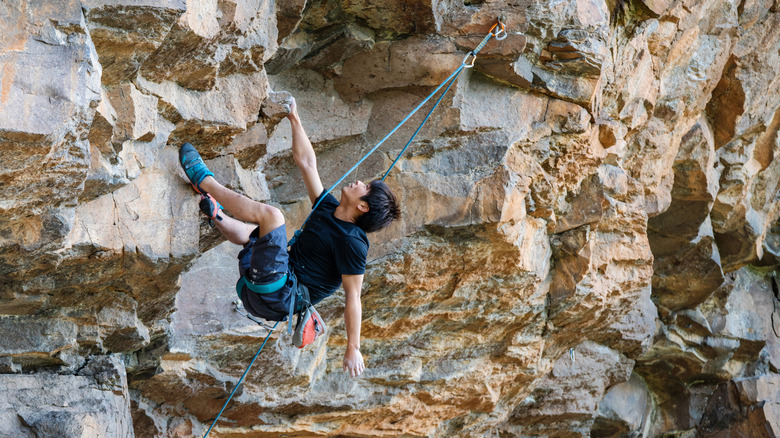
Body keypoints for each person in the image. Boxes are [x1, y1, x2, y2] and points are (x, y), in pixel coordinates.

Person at [179, 98, 400, 378]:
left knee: (273, 219)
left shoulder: (354, 243)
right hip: (260, 285)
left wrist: (353, 347)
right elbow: (307, 163)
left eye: (365, 187)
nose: (359, 182)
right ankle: (217, 215)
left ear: (363, 206)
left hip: (278, 295)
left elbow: (353, 297)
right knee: (261, 236)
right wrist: (294, 118)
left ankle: (204, 181)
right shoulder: (329, 208)